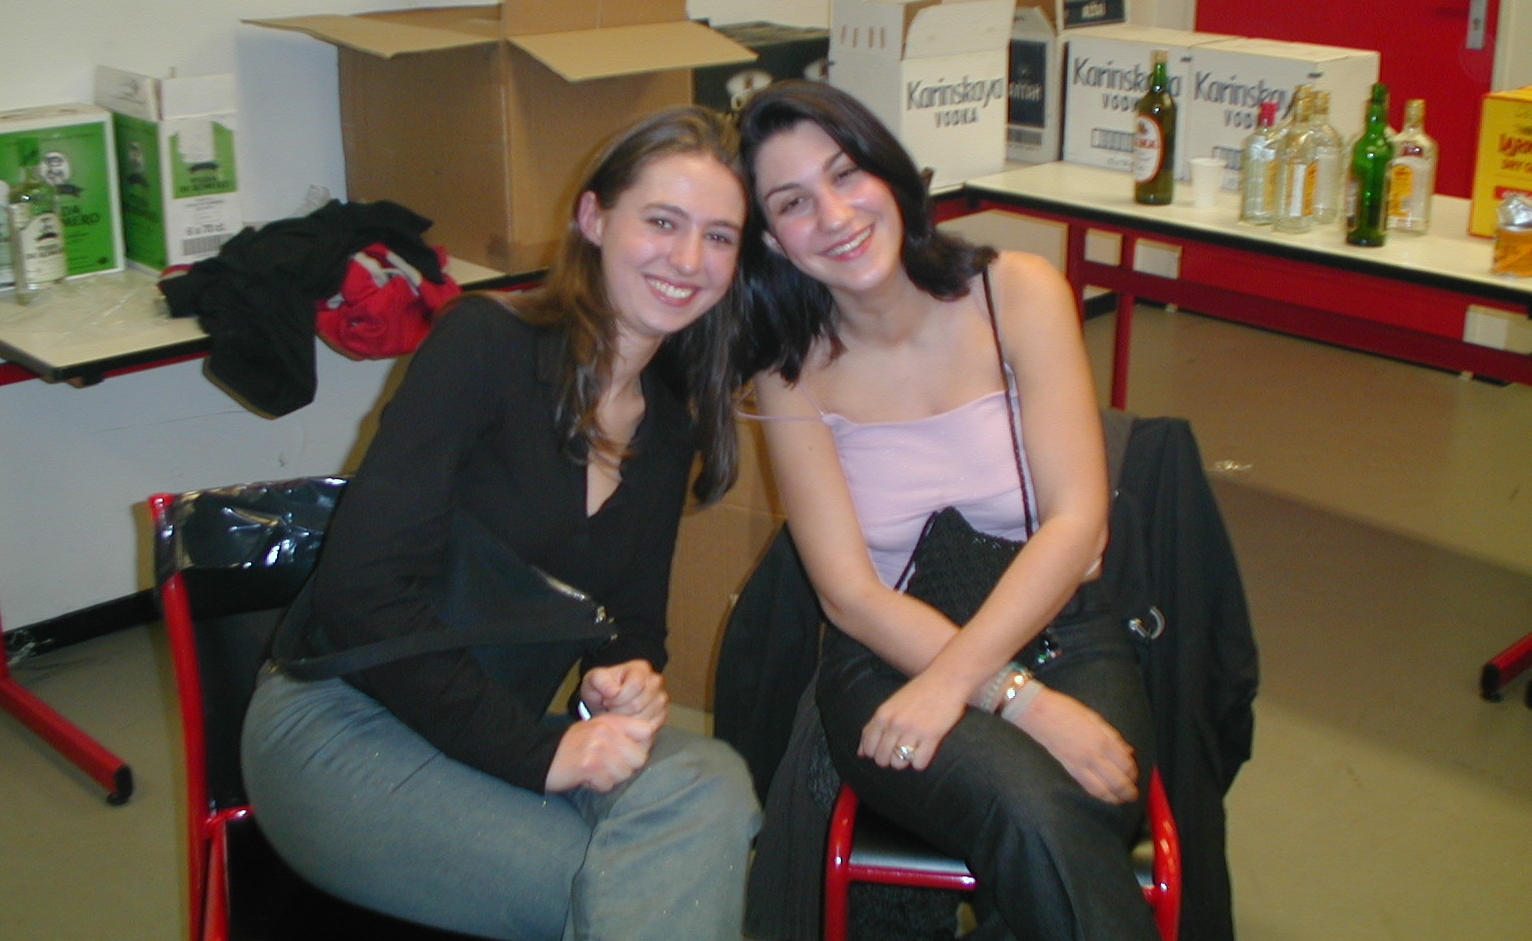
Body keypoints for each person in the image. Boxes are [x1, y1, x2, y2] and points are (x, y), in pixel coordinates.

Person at [241, 106, 761, 941]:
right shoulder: (486, 344)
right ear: (594, 218)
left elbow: (630, 621)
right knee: (639, 879)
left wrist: (625, 676)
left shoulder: (669, 423)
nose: (689, 259)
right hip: (343, 726)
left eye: (720, 236)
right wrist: (535, 754)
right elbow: (359, 592)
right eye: (663, 222)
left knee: (712, 781)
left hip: (487, 731)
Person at [737, 81, 1159, 941]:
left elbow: (1078, 524)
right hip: (887, 664)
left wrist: (967, 685)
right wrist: (1020, 702)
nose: (834, 215)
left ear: (890, 175)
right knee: (1035, 810)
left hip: (1061, 629)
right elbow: (851, 597)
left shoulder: (1018, 293)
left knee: (1065, 815)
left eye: (845, 174)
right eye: (792, 202)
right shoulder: (788, 373)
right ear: (772, 240)